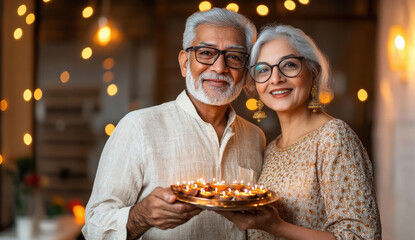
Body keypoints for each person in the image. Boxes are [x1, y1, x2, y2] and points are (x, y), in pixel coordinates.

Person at [82, 8, 266, 240]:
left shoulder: (255, 137)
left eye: (234, 56)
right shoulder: (138, 127)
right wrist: (141, 216)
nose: (220, 68)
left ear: (245, 70)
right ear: (184, 62)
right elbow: (94, 227)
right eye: (206, 53)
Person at [217, 25, 381, 239]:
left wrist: (276, 226)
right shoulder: (271, 148)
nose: (276, 79)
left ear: (314, 72)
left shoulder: (333, 136)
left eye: (289, 65)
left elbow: (362, 236)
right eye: (264, 69)